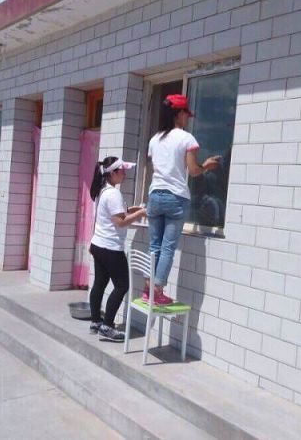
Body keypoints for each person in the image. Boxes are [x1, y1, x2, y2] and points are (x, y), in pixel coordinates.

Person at [146, 94, 221, 305]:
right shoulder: (187, 138)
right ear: (179, 113)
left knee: (154, 245)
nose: (188, 118)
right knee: (167, 248)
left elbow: (157, 166)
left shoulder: (155, 139)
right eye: (186, 114)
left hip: (154, 195)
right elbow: (194, 171)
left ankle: (147, 289)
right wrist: (207, 165)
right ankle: (157, 291)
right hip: (175, 197)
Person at [89, 156, 147, 341]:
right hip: (111, 248)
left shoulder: (103, 190)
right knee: (122, 286)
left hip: (98, 245)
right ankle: (107, 326)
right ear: (112, 173)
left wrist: (132, 210)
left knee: (99, 283)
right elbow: (120, 222)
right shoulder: (113, 194)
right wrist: (141, 213)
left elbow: (116, 213)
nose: (125, 174)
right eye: (122, 171)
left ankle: (96, 322)